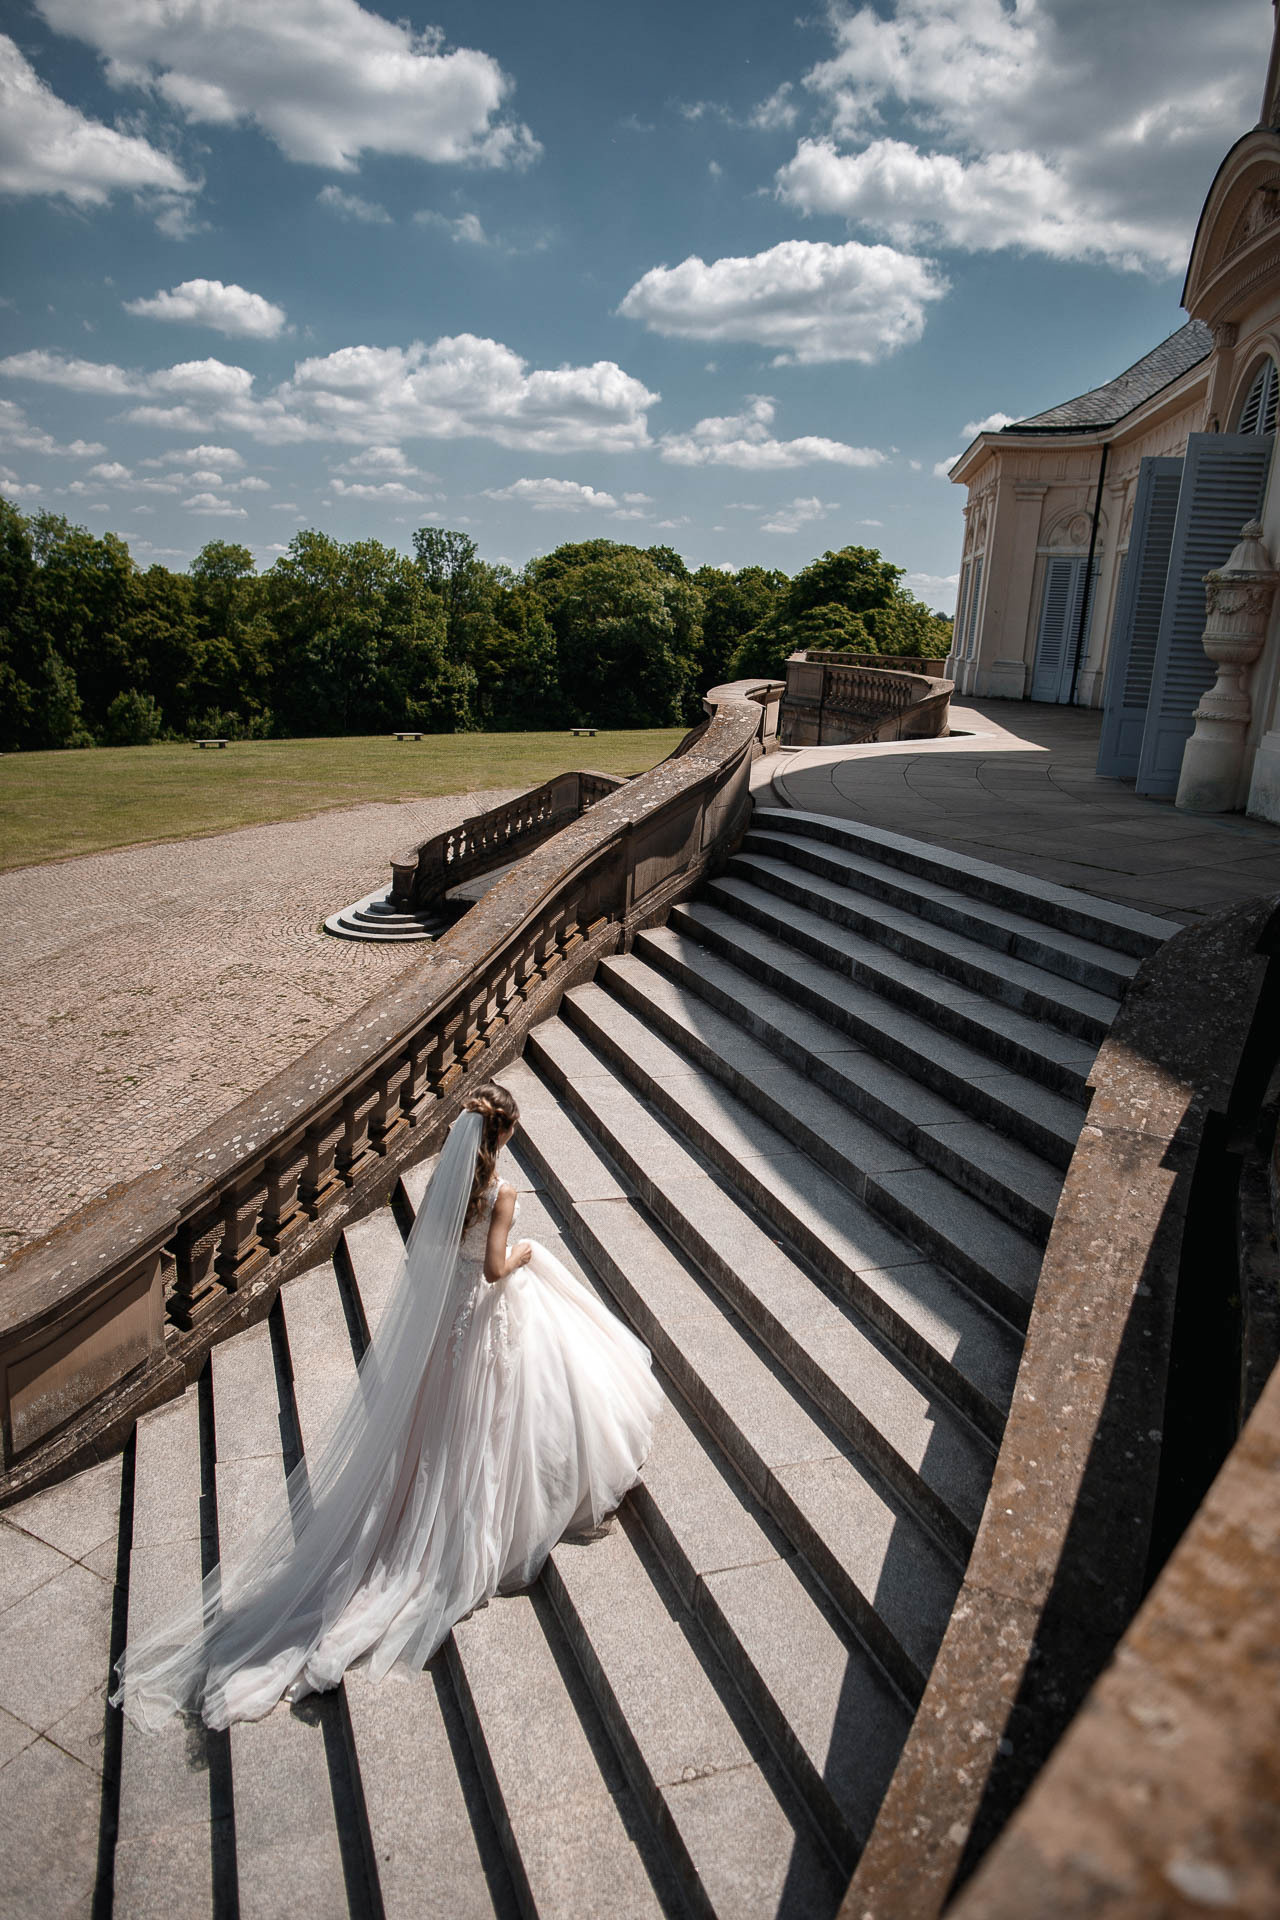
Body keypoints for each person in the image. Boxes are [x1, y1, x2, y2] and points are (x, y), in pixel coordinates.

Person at [112, 1082, 662, 1730]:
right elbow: (494, 1269)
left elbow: (436, 1255)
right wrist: (528, 1251)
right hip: (485, 1317)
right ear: (504, 1133)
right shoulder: (502, 1195)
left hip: (448, 1329)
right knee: (498, 1419)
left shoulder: (447, 1188)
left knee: (444, 1429)